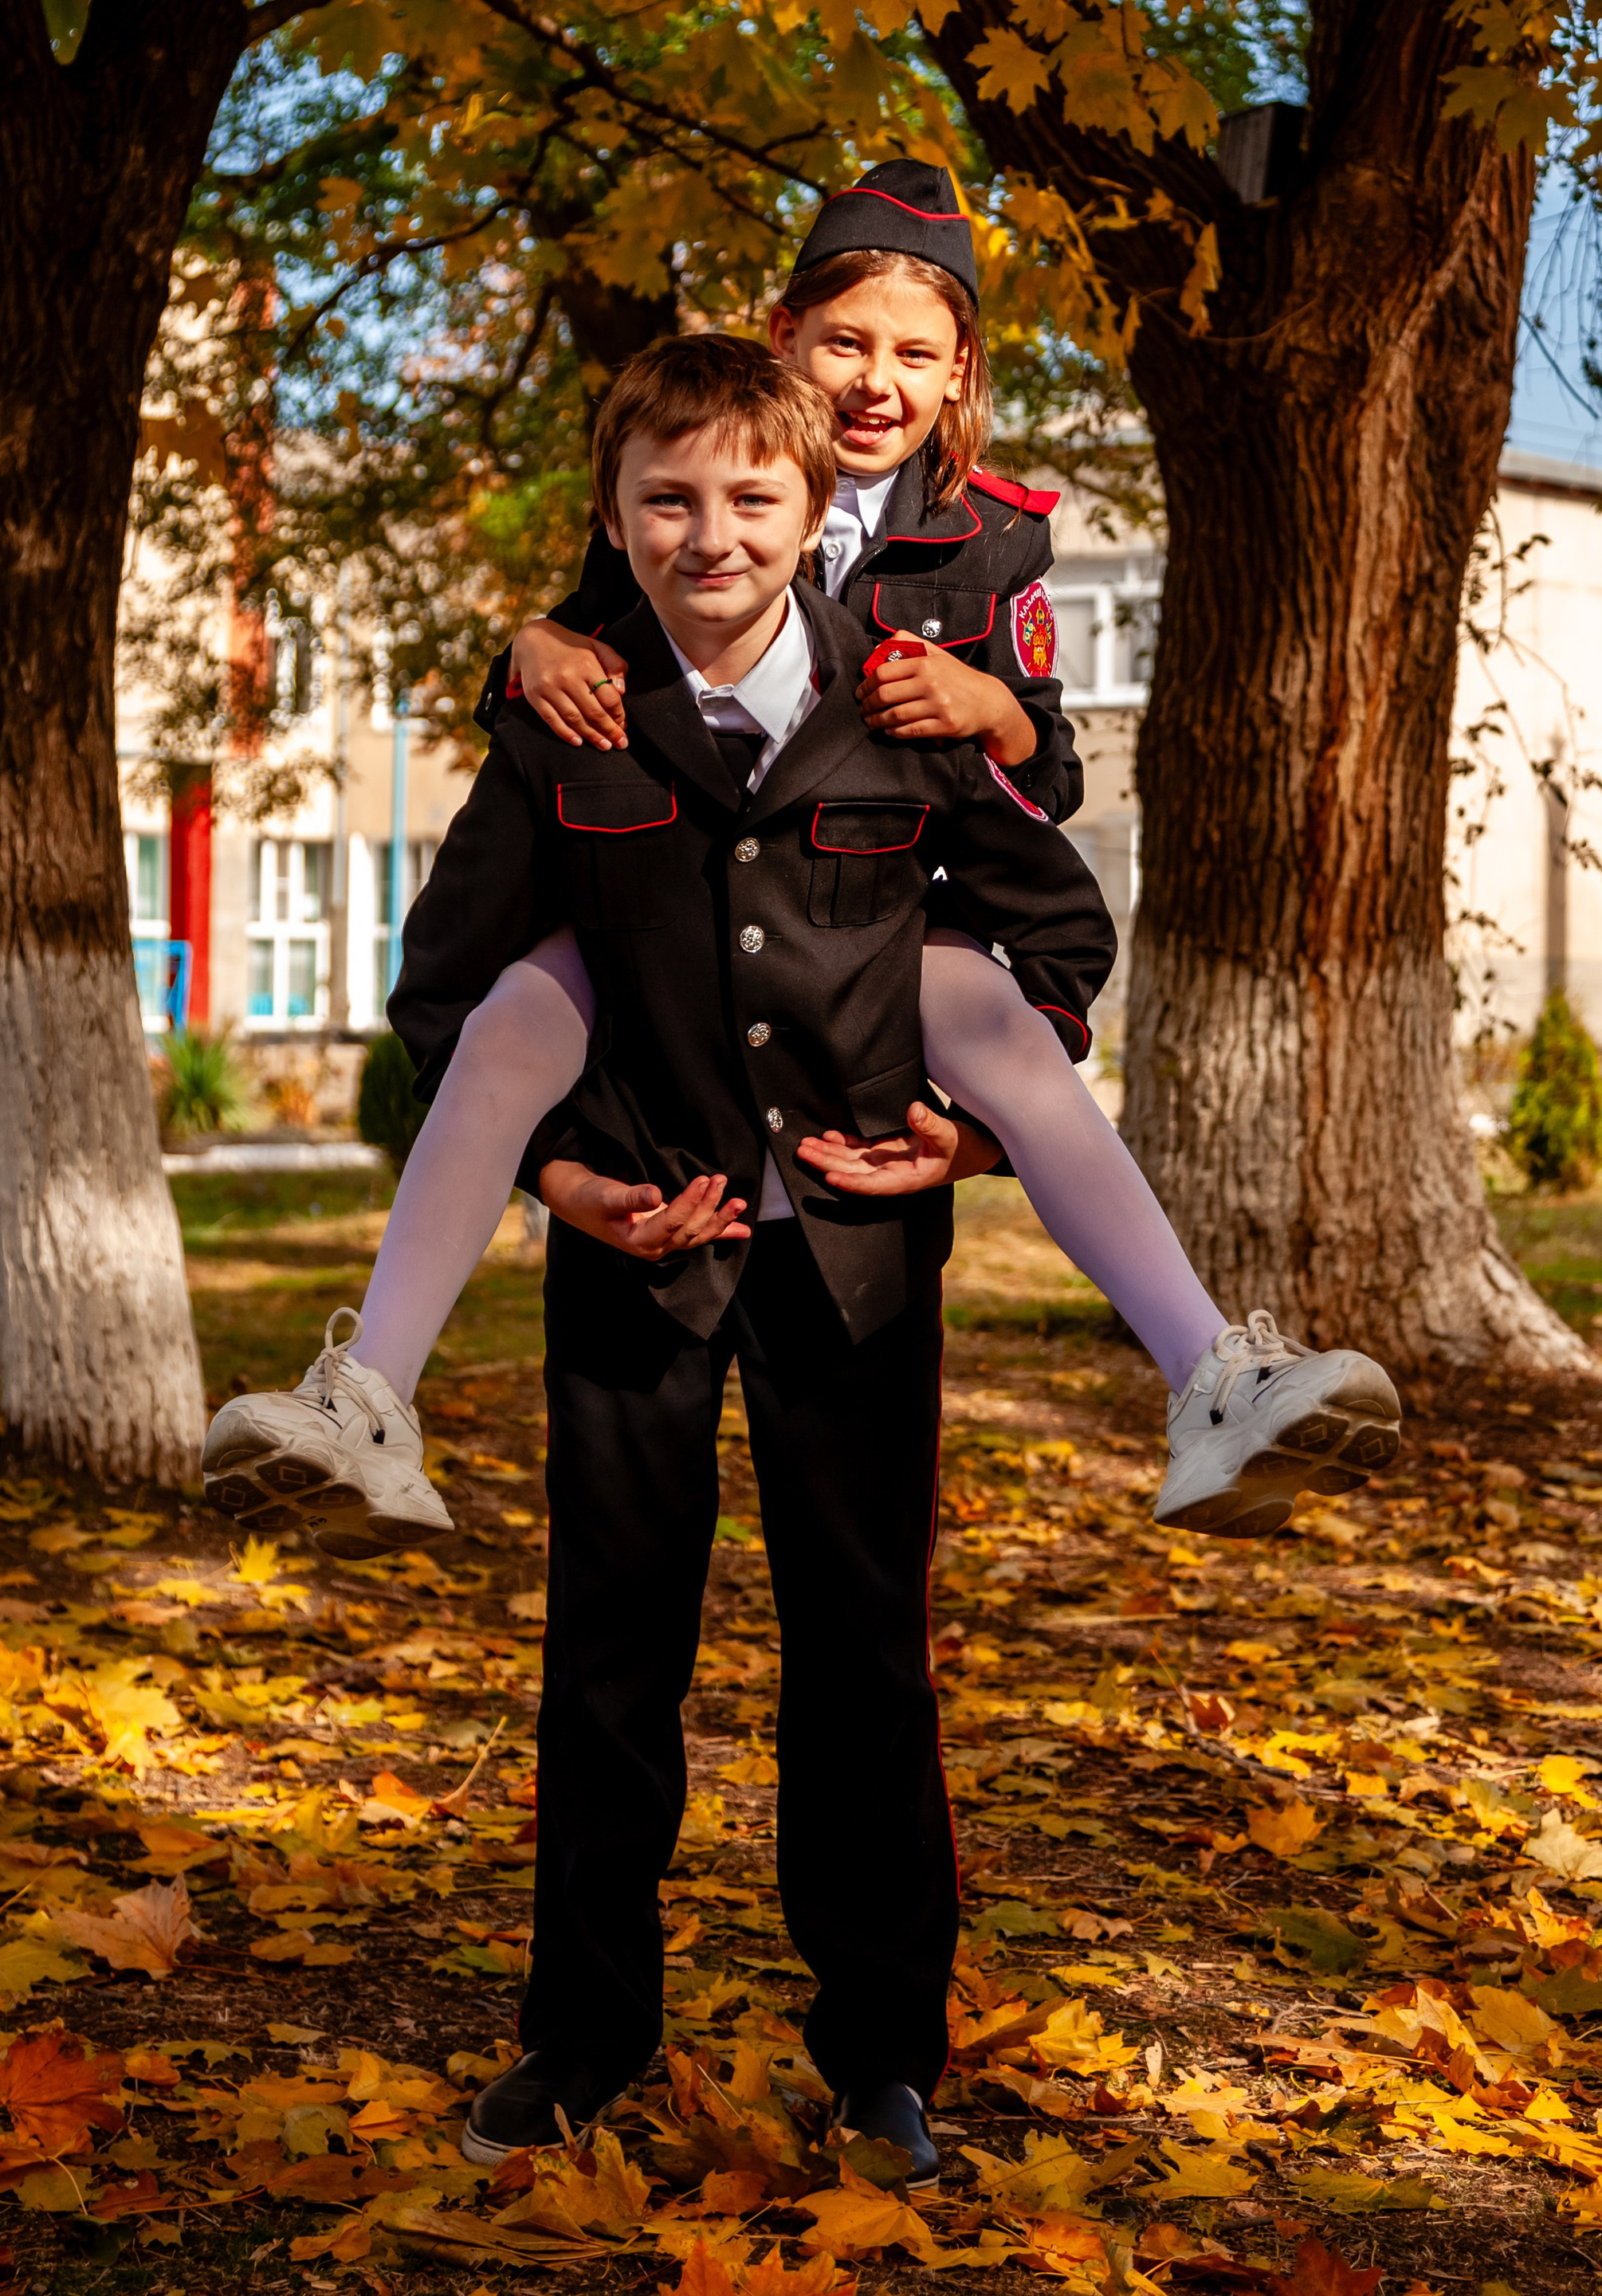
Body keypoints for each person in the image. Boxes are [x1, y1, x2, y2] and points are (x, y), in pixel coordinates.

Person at [202, 169, 1403, 1548]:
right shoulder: (700, 463)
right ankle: (367, 1400)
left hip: (875, 924)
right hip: (664, 937)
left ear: (960, 377)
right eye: (844, 342)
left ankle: (1212, 1374)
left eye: (913, 353)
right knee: (515, 1010)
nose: (875, 379)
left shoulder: (997, 535)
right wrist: (519, 651)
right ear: (784, 337)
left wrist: (990, 709)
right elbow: (592, 644)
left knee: (1000, 1024)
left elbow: (1043, 781)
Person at [410, 333, 1116, 2172]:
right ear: (611, 516)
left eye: (748, 497)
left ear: (817, 520)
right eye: (665, 498)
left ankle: (884, 2052)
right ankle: (578, 2041)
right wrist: (562, 1177)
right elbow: (445, 992)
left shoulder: (901, 708)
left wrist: (963, 1137)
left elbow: (1055, 931)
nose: (705, 530)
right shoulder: (567, 717)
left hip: (856, 1271)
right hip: (640, 1256)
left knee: (862, 1656)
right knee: (609, 1658)